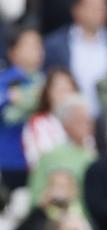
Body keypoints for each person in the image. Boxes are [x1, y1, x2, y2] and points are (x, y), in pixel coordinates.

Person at [42, 0, 107, 114]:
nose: (99, 12)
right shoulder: (55, 44)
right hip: (67, 117)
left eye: (102, 8)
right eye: (93, 7)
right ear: (76, 10)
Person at [0, 27, 44, 190]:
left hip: (38, 161)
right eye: (30, 45)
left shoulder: (46, 81)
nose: (37, 50)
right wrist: (9, 97)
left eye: (39, 45)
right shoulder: (4, 80)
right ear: (12, 52)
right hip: (7, 160)